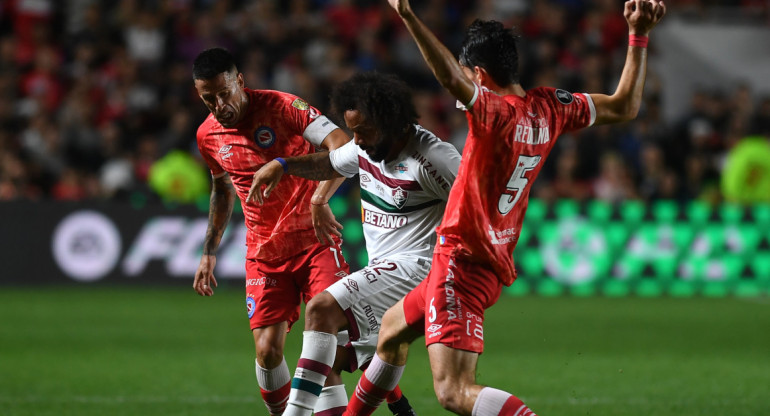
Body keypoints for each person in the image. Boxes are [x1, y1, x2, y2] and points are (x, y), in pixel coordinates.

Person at [343, 1, 667, 416]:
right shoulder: (551, 107)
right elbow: (625, 106)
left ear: (478, 75)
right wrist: (638, 34)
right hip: (489, 262)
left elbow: (446, 76)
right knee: (390, 331)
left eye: (467, 74)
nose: (461, 82)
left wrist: (407, 15)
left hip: (461, 261)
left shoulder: (494, 114)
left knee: (453, 392)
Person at [248, 72, 461, 416]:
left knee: (320, 309)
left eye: (363, 131)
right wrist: (283, 165)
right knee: (330, 358)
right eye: (354, 131)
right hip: (386, 269)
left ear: (391, 121)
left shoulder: (434, 158)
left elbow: (477, 203)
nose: (357, 141)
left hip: (419, 267)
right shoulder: (367, 147)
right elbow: (329, 163)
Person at [192, 47, 353, 416]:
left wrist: (316, 197)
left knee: (322, 344)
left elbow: (344, 148)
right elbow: (221, 190)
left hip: (315, 242)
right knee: (267, 352)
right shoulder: (208, 136)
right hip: (265, 252)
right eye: (208, 98)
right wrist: (209, 251)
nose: (219, 105)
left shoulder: (284, 107)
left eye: (224, 93)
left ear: (240, 82)